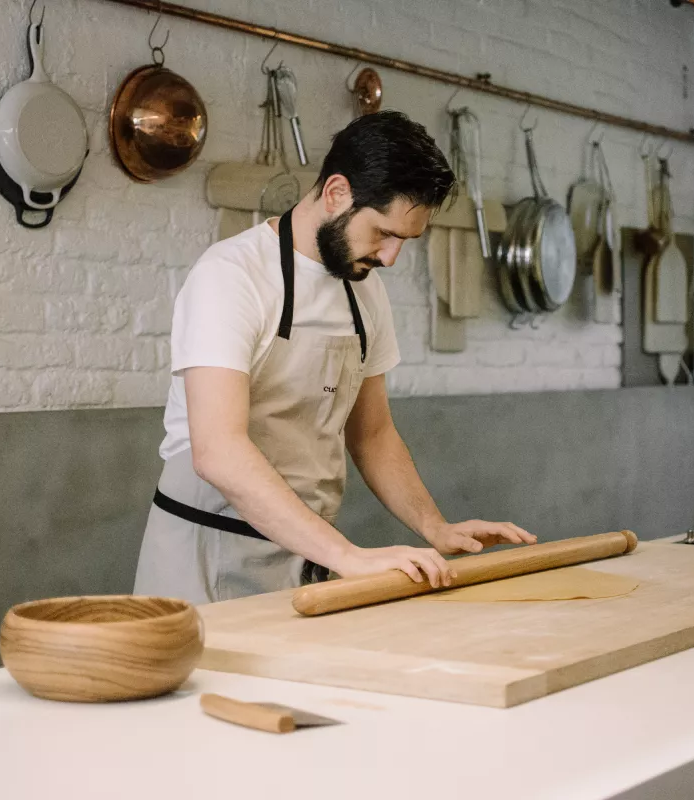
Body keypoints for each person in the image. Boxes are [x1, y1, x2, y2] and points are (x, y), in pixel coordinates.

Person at [133, 110, 535, 605]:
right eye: (384, 233)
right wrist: (347, 556)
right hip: (205, 556)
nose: (390, 258)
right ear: (336, 193)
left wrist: (435, 526)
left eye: (404, 242)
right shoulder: (232, 276)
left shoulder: (364, 293)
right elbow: (218, 451)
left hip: (304, 555)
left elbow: (372, 433)